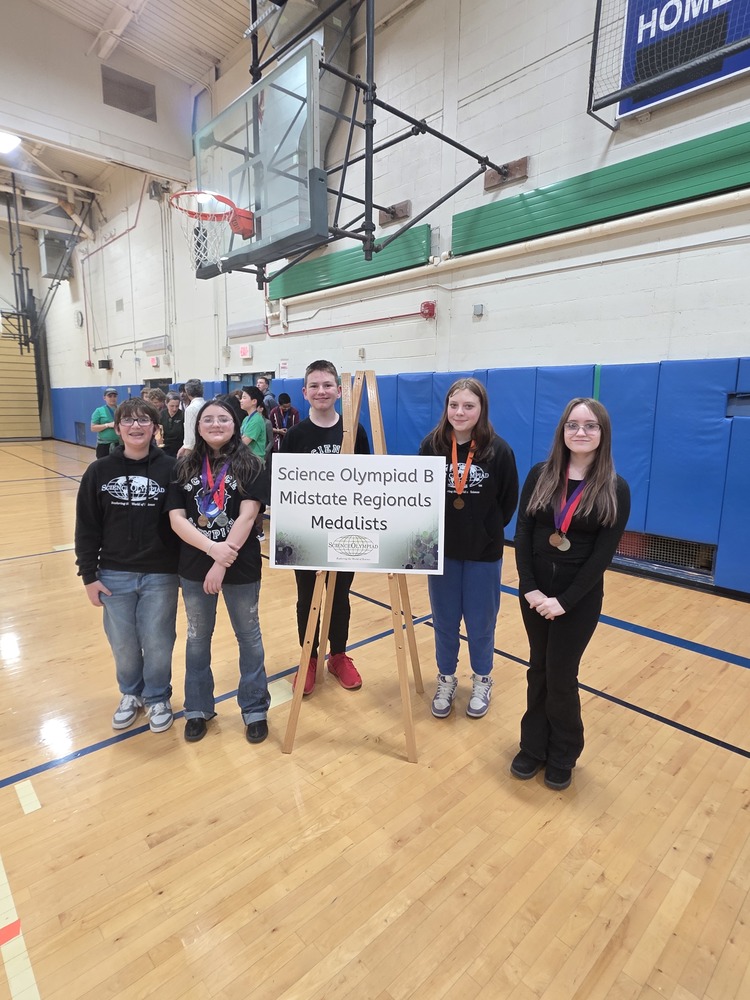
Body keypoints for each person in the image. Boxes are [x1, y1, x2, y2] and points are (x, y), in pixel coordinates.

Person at [511, 397, 630, 790]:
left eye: (590, 426)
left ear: (602, 433)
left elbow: (602, 556)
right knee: (538, 670)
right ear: (562, 431)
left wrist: (564, 601)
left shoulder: (615, 488)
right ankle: (533, 746)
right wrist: (528, 587)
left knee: (561, 675)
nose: (581, 432)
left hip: (577, 599)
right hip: (534, 594)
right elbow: (524, 531)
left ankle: (563, 753)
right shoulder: (540, 475)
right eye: (573, 425)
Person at [167, 398, 271, 745]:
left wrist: (221, 562)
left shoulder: (252, 464)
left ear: (234, 425)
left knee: (249, 637)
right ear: (197, 426)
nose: (215, 424)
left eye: (223, 419)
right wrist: (213, 551)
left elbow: (248, 515)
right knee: (197, 638)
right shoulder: (183, 465)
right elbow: (177, 519)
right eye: (208, 419)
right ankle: (197, 708)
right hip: (196, 566)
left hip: (240, 565)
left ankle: (254, 709)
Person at [75, 397, 179, 733]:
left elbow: (183, 523)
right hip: (114, 573)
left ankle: (158, 696)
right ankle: (131, 694)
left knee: (159, 640)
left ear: (155, 428)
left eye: (144, 420)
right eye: (128, 421)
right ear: (117, 429)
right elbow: (86, 527)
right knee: (123, 643)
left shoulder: (171, 469)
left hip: (161, 573)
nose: (136, 426)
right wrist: (88, 575)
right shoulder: (99, 471)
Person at [419, 378, 518, 720]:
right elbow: (419, 496)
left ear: (481, 409)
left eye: (468, 406)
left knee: (481, 623)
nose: (460, 412)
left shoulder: (499, 451)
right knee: (444, 621)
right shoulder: (431, 446)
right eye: (454, 405)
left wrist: (485, 531)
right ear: (446, 408)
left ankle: (482, 679)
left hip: (483, 554)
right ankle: (446, 679)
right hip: (442, 553)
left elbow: (508, 501)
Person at [280, 359, 370, 695]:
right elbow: (285, 486)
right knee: (307, 597)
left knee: (340, 595)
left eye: (327, 385)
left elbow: (370, 481)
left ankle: (338, 655)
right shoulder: (295, 435)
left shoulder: (355, 431)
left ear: (339, 390)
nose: (321, 391)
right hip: (306, 532)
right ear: (305, 392)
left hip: (347, 530)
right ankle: (309, 658)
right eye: (314, 386)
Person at [90, 387, 121, 458]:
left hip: (118, 443)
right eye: (110, 396)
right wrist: (107, 425)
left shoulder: (121, 410)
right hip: (104, 445)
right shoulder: (99, 411)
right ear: (104, 398)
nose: (112, 398)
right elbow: (93, 428)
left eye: (114, 396)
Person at [239, 385, 267, 460]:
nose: (241, 400)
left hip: (254, 461)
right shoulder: (246, 419)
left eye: (244, 398)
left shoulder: (257, 420)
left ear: (254, 401)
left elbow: (243, 442)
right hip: (246, 459)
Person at [178, 378, 205, 456]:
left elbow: (190, 434)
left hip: (195, 450)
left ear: (187, 392)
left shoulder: (191, 409)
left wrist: (187, 452)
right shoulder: (206, 405)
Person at [161, 392, 184, 456]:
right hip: (164, 449)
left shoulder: (183, 415)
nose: (174, 409)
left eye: (177, 406)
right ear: (166, 403)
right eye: (172, 406)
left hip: (178, 449)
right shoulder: (161, 415)